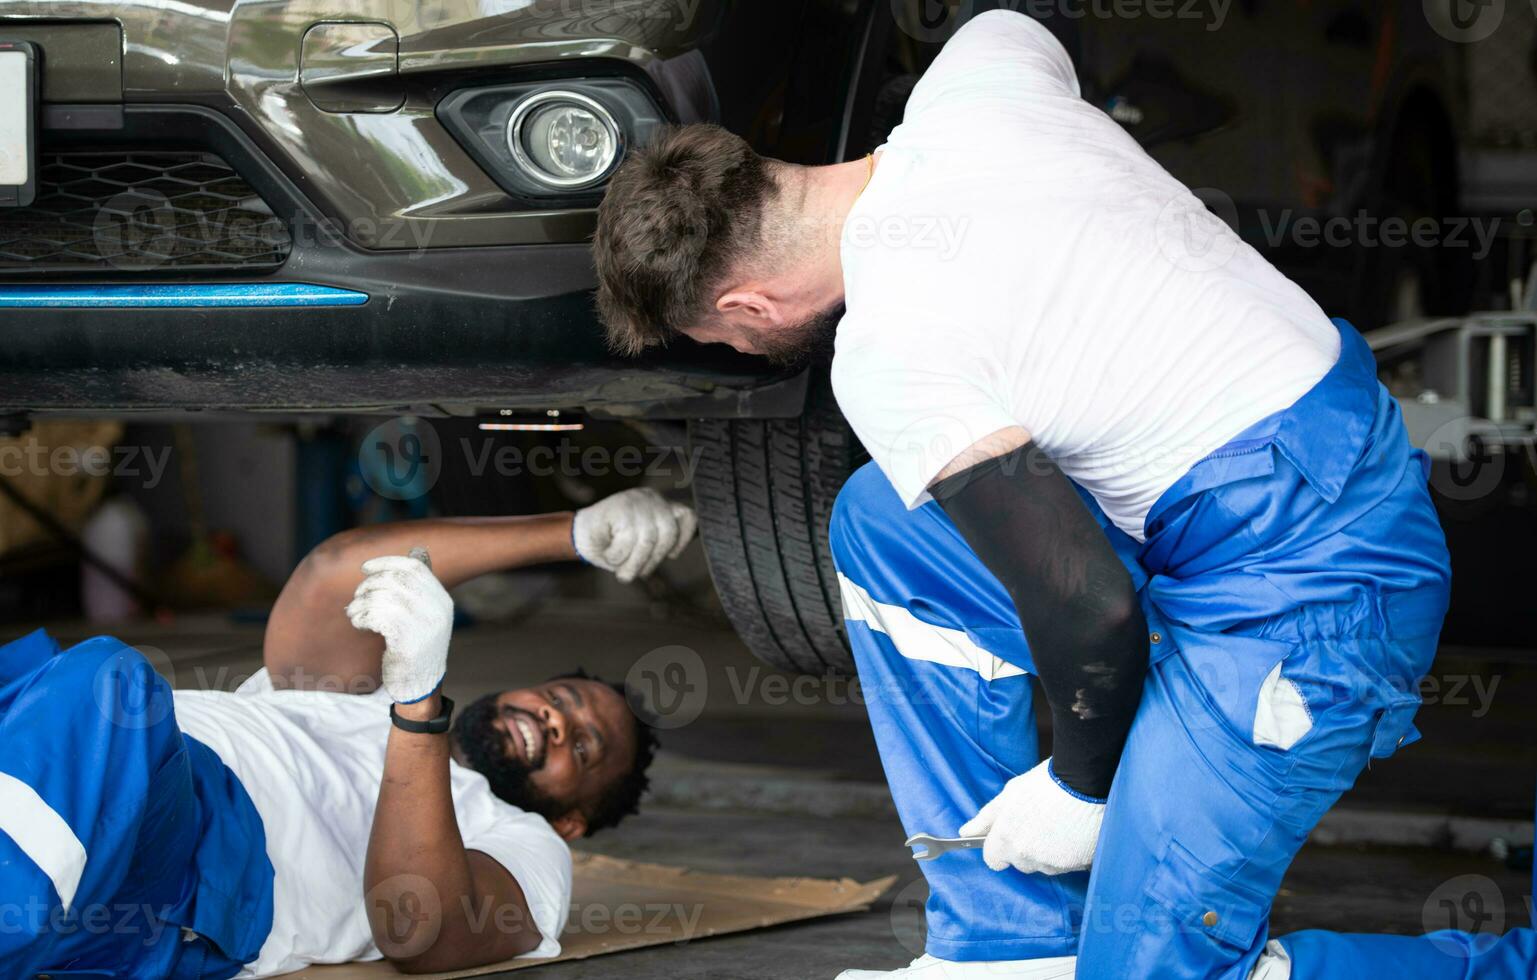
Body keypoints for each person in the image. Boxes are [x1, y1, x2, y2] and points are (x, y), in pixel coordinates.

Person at [588, 9, 1524, 979]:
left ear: (743, 307)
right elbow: (1038, 19)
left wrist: (1077, 791)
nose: (736, 353)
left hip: (1312, 593)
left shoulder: (888, 348)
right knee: (881, 524)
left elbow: (1090, 603)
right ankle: (1008, 943)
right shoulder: (980, 74)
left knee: (1150, 972)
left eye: (719, 341)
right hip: (1287, 480)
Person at [0, 487, 696, 978]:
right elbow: (339, 569)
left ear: (573, 819)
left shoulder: (527, 846)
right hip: (82, 759)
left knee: (106, 682)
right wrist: (574, 534)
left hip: (200, 857)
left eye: (581, 745)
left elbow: (417, 935)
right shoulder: (347, 691)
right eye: (558, 698)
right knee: (59, 686)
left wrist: (419, 704)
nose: (554, 719)